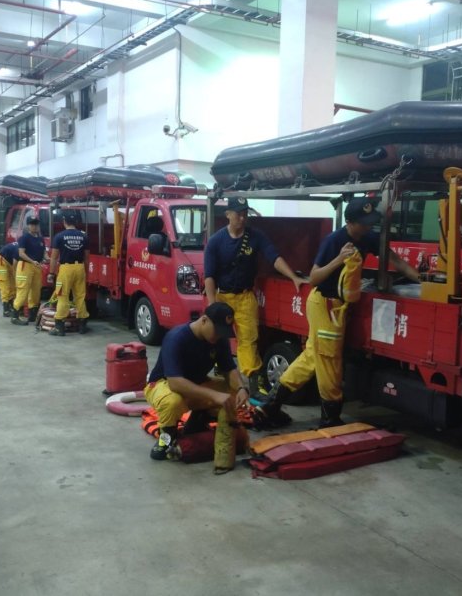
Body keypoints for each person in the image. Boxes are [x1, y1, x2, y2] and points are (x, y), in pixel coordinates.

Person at [257, 196, 419, 429]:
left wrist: (422, 281)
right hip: (324, 304)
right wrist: (338, 259)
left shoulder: (367, 237)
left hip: (337, 307)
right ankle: (329, 417)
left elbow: (397, 262)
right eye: (365, 222)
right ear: (351, 222)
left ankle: (270, 405)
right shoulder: (335, 241)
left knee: (313, 357)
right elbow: (313, 278)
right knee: (330, 360)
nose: (369, 225)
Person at [204, 196, 306, 395]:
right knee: (215, 337)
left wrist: (293, 277)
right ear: (228, 215)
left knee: (248, 340)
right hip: (222, 298)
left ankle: (253, 384)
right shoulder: (216, 241)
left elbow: (274, 257)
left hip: (245, 298)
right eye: (238, 214)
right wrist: (212, 305)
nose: (242, 218)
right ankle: (217, 375)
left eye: (245, 214)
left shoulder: (255, 236)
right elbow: (209, 276)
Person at [144, 302, 249, 461]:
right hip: (163, 384)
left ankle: (198, 420)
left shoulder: (218, 340)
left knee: (233, 393)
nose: (219, 336)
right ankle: (166, 438)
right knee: (173, 402)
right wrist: (214, 396)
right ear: (204, 320)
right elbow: (175, 382)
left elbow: (229, 369)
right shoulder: (176, 337)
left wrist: (242, 388)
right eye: (217, 330)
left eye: (223, 332)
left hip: (197, 384)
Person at [48, 211, 89, 336]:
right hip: (80, 267)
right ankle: (82, 325)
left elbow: (54, 257)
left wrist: (51, 273)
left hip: (66, 269)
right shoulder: (84, 236)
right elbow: (87, 257)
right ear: (76, 222)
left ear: (64, 222)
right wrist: (85, 272)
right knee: (80, 296)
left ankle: (59, 326)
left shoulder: (59, 236)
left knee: (62, 295)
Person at [11, 217, 46, 326]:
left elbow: (44, 253)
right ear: (28, 226)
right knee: (23, 291)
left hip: (37, 267)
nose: (34, 226)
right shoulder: (24, 238)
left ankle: (32, 315)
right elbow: (21, 253)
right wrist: (32, 261)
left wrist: (47, 258)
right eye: (32, 224)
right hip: (25, 266)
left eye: (36, 224)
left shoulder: (41, 239)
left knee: (36, 292)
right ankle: (15, 315)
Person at [0, 241, 19, 316]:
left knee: (13, 286)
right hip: (1, 261)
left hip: (10, 263)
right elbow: (15, 264)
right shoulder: (19, 248)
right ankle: (6, 310)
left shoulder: (23, 245)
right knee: (5, 286)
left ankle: (11, 306)